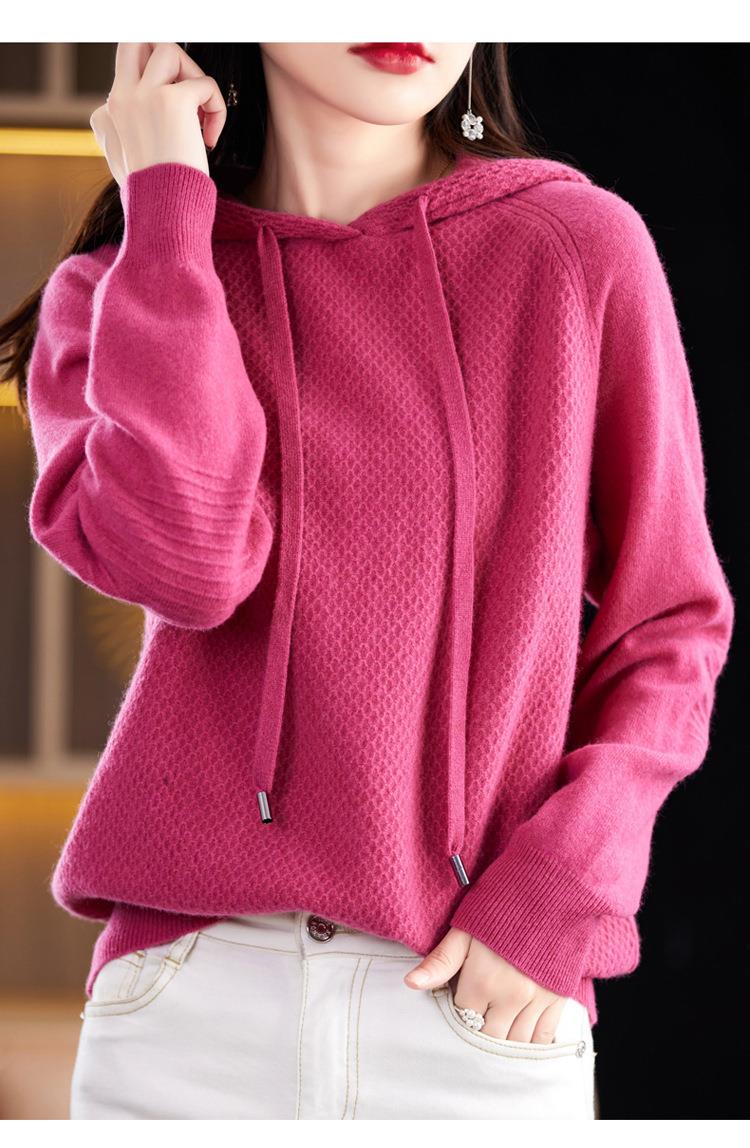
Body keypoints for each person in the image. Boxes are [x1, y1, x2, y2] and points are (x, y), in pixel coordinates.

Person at [4, 41, 734, 1120]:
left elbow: (671, 623)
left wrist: (561, 896)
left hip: (472, 1007)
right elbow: (192, 564)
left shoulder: (573, 250)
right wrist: (166, 208)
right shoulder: (118, 293)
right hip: (187, 1018)